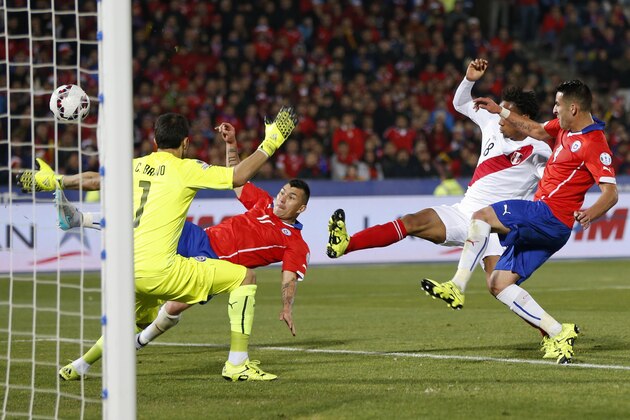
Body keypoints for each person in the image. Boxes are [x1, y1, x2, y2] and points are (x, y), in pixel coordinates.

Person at [19, 108, 298, 381]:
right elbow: (237, 177)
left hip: (128, 271)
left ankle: (80, 365)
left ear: (155, 142)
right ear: (186, 143)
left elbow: (93, 180)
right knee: (244, 277)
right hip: (163, 270)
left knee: (129, 323)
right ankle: (237, 364)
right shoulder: (187, 169)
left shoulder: (133, 165)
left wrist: (54, 181)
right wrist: (270, 142)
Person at [422, 79, 618, 364]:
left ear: (573, 108)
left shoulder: (594, 143)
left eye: (558, 105)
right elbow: (535, 129)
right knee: (498, 283)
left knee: (482, 216)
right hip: (553, 228)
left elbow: (610, 193)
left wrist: (591, 213)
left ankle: (457, 284)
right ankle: (557, 332)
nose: (553, 109)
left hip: (549, 215)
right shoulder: (563, 128)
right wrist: (499, 112)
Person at [327, 58, 551, 288]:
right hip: (464, 214)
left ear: (524, 119)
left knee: (500, 288)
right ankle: (346, 244)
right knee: (411, 221)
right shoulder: (492, 122)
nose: (500, 115)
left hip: (496, 225)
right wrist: (468, 80)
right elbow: (461, 103)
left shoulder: (540, 149)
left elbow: (551, 182)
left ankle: (554, 326)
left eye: (506, 112)